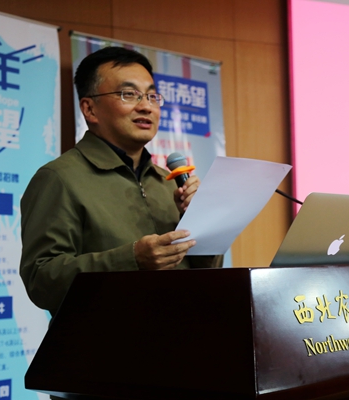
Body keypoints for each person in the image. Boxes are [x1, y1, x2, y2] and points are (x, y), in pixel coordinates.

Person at [20, 47, 222, 317]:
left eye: (152, 96)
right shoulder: (59, 178)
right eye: (129, 94)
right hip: (101, 341)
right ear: (90, 109)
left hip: (180, 334)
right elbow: (41, 281)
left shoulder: (168, 183)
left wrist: (200, 222)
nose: (146, 106)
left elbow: (207, 273)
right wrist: (133, 259)